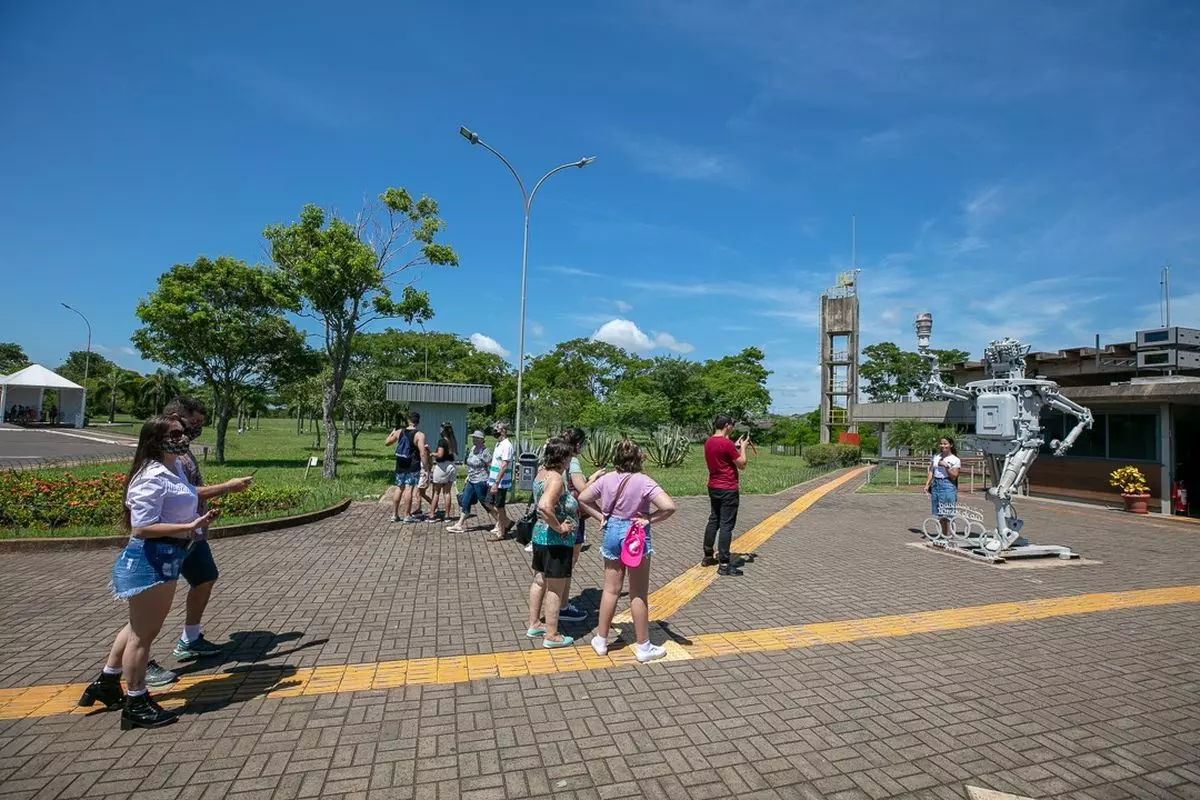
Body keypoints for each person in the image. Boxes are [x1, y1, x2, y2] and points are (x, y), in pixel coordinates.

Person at [78, 416, 220, 729]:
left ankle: (108, 682)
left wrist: (196, 522)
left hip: (168, 555)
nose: (184, 438)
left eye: (183, 433)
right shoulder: (150, 476)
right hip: (150, 559)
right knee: (143, 636)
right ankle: (136, 702)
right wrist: (189, 526)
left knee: (137, 627)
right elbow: (141, 527)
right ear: (156, 440)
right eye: (176, 434)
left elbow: (178, 504)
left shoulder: (175, 468)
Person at [163, 397, 254, 667]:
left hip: (193, 532)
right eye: (193, 422)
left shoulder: (183, 452)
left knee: (205, 577)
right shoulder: (165, 456)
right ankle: (128, 669)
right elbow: (181, 492)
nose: (195, 429)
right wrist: (226, 487)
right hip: (171, 536)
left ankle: (190, 638)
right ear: (175, 418)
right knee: (154, 601)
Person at [578, 439, 677, 663]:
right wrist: (649, 519)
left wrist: (600, 516)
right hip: (635, 534)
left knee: (611, 589)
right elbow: (669, 506)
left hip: (612, 531)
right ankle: (643, 645)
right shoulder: (644, 481)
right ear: (639, 458)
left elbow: (583, 498)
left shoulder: (606, 479)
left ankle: (601, 640)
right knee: (638, 593)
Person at [526, 438, 604, 648]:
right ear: (563, 458)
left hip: (540, 537)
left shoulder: (542, 473)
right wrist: (560, 527)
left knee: (539, 580)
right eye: (569, 456)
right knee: (555, 587)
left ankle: (534, 623)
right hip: (555, 542)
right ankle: (552, 635)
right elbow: (545, 506)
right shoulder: (556, 480)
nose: (571, 460)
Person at [559, 427, 606, 623]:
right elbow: (582, 489)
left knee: (562, 562)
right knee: (569, 562)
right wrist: (596, 478)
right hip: (573, 516)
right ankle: (563, 606)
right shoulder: (573, 460)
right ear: (578, 444)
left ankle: (558, 602)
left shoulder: (558, 456)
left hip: (559, 513)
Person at [703, 413, 750, 576]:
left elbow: (722, 455)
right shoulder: (727, 443)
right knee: (726, 525)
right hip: (728, 488)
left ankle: (708, 556)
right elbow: (742, 464)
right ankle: (724, 564)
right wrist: (742, 448)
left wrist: (734, 447)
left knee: (714, 519)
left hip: (713, 486)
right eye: (732, 425)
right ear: (727, 426)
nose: (733, 427)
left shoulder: (709, 442)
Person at [447, 431, 491, 533]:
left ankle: (500, 521)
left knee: (485, 502)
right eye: (473, 437)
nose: (474, 439)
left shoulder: (485, 451)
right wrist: (468, 476)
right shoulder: (472, 449)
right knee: (465, 501)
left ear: (481, 439)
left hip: (481, 481)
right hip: (471, 480)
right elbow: (471, 465)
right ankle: (459, 524)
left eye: (476, 438)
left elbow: (490, 466)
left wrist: (491, 480)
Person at [387, 410, 427, 524]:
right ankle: (406, 516)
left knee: (399, 488)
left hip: (400, 464)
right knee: (409, 488)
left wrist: (391, 434)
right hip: (412, 465)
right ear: (418, 422)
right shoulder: (419, 435)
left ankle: (394, 515)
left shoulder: (399, 432)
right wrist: (426, 467)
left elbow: (387, 443)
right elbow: (422, 453)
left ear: (408, 420)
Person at [924, 436, 961, 537]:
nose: (943, 446)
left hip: (947, 484)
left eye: (945, 444)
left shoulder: (955, 459)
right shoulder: (936, 456)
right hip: (936, 484)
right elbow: (931, 470)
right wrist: (927, 484)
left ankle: (950, 536)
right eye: (941, 444)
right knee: (940, 513)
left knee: (948, 513)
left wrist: (946, 466)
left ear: (950, 445)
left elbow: (954, 476)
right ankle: (943, 536)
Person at [485, 422, 514, 541]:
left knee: (500, 506)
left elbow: (504, 465)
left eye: (496, 429)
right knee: (488, 502)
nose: (494, 431)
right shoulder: (498, 444)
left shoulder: (507, 446)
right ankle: (505, 522)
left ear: (503, 431)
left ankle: (502, 532)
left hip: (501, 482)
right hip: (493, 480)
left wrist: (496, 483)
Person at [430, 422, 458, 521]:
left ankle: (432, 515)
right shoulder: (452, 440)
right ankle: (447, 515)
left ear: (443, 430)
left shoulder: (442, 441)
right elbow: (455, 453)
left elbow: (440, 454)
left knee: (436, 492)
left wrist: (432, 453)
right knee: (447, 492)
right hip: (452, 466)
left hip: (442, 467)